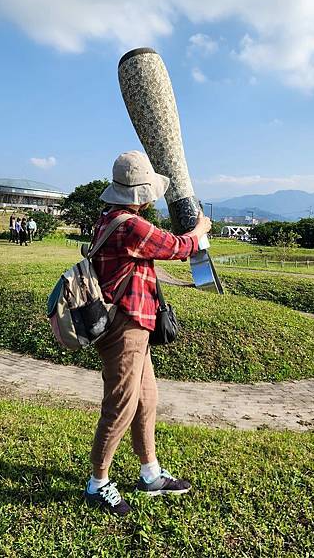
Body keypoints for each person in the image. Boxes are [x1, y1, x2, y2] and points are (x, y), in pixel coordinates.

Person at [84, 150, 211, 516]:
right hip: (123, 326)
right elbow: (176, 247)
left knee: (147, 398)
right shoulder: (130, 225)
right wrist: (199, 231)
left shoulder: (112, 217)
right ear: (140, 194)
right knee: (120, 404)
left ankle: (149, 473)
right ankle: (98, 483)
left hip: (136, 323)